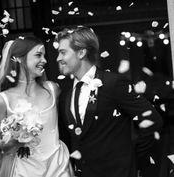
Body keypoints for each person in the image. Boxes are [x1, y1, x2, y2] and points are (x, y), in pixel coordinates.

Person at [55, 26, 163, 177]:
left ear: (81, 52)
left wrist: (132, 160)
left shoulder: (113, 83)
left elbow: (153, 120)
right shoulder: (66, 93)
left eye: (63, 52)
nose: (58, 58)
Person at [0, 36, 73, 177]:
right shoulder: (2, 100)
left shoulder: (53, 89)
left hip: (57, 166)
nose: (44, 60)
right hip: (24, 170)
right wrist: (13, 140)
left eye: (44, 56)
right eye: (38, 55)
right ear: (19, 58)